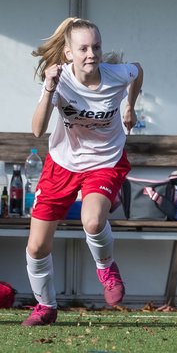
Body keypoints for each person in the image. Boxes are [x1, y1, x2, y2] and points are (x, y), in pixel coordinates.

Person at [22, 17, 143, 326]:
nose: (91, 54)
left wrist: (130, 105)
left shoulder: (118, 75)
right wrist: (49, 88)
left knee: (92, 220)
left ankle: (106, 269)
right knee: (36, 245)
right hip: (63, 163)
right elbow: (37, 130)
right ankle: (45, 306)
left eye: (97, 47)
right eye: (84, 48)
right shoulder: (59, 80)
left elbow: (138, 71)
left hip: (105, 161)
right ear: (68, 53)